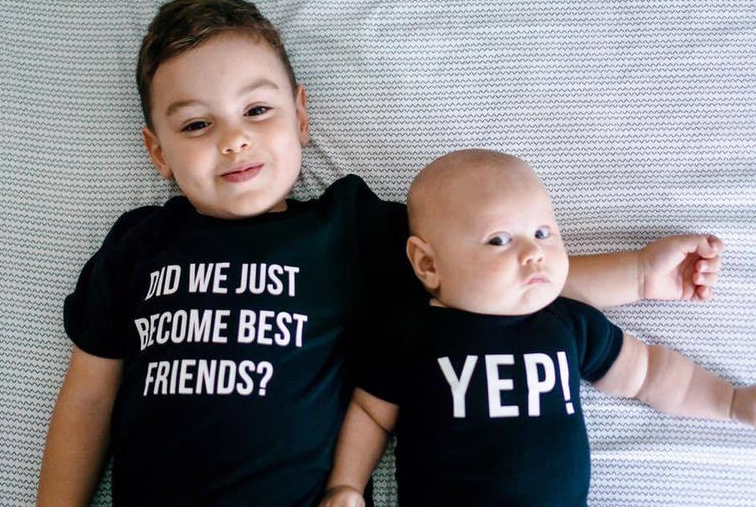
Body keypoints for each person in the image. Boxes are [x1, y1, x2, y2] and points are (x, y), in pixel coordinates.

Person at [36, 0, 724, 507]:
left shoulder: (346, 228)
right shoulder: (139, 243)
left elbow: (495, 275)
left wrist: (638, 273)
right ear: (156, 151)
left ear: (301, 116)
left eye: (257, 109)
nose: (233, 138)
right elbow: (89, 397)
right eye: (195, 124)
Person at [319, 149, 755, 507]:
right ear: (428, 263)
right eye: (500, 240)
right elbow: (371, 414)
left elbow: (651, 374)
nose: (534, 253)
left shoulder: (564, 321)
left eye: (544, 232)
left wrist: (731, 401)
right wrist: (347, 486)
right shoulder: (411, 331)